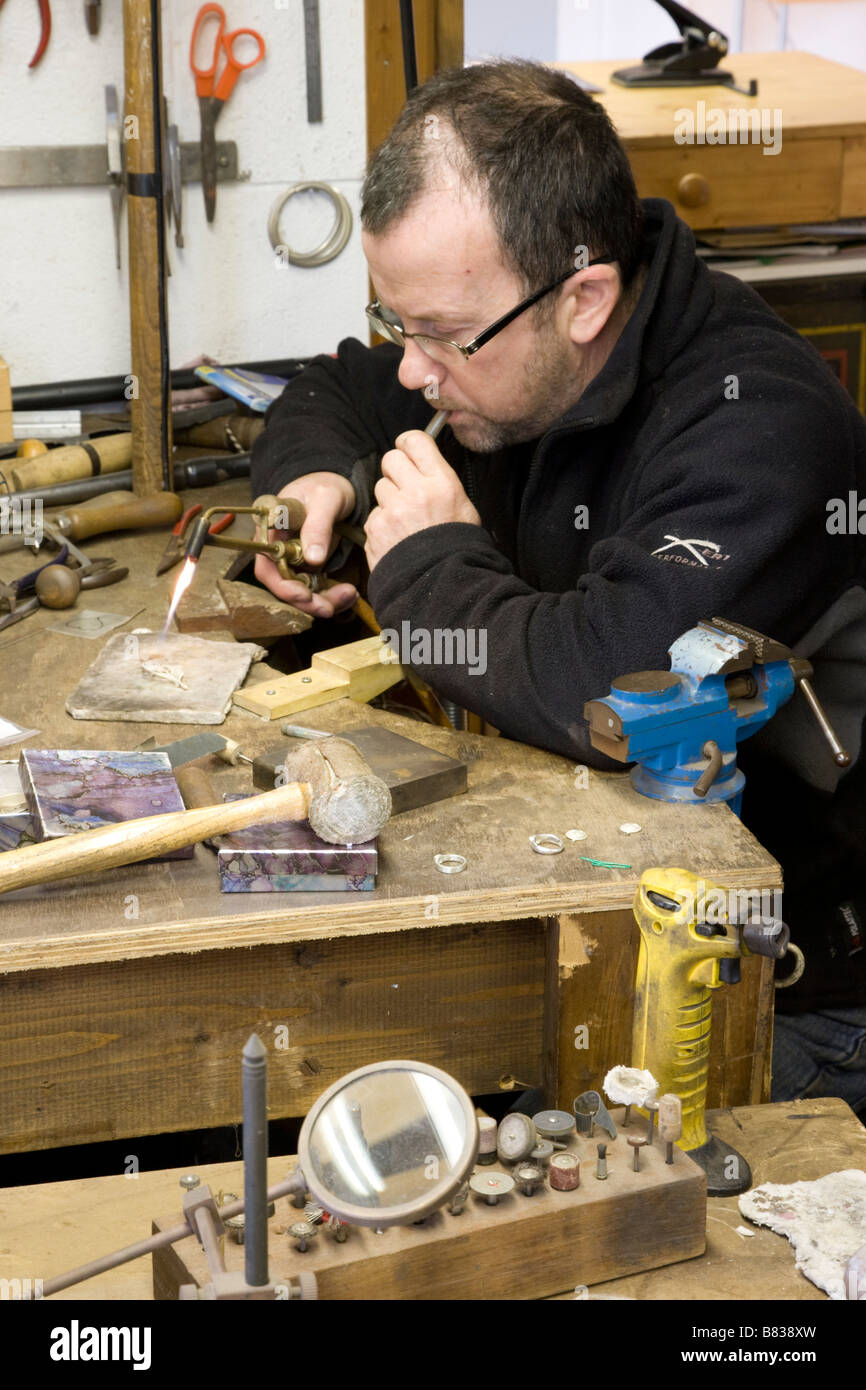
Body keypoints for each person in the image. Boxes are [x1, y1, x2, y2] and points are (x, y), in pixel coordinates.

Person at [251, 61, 866, 1111]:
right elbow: (335, 389)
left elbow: (607, 685)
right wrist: (312, 477)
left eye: (439, 333)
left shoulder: (757, 426)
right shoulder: (508, 357)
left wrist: (428, 568)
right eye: (400, 319)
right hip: (607, 911)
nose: (412, 371)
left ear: (582, 298)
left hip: (784, 987)